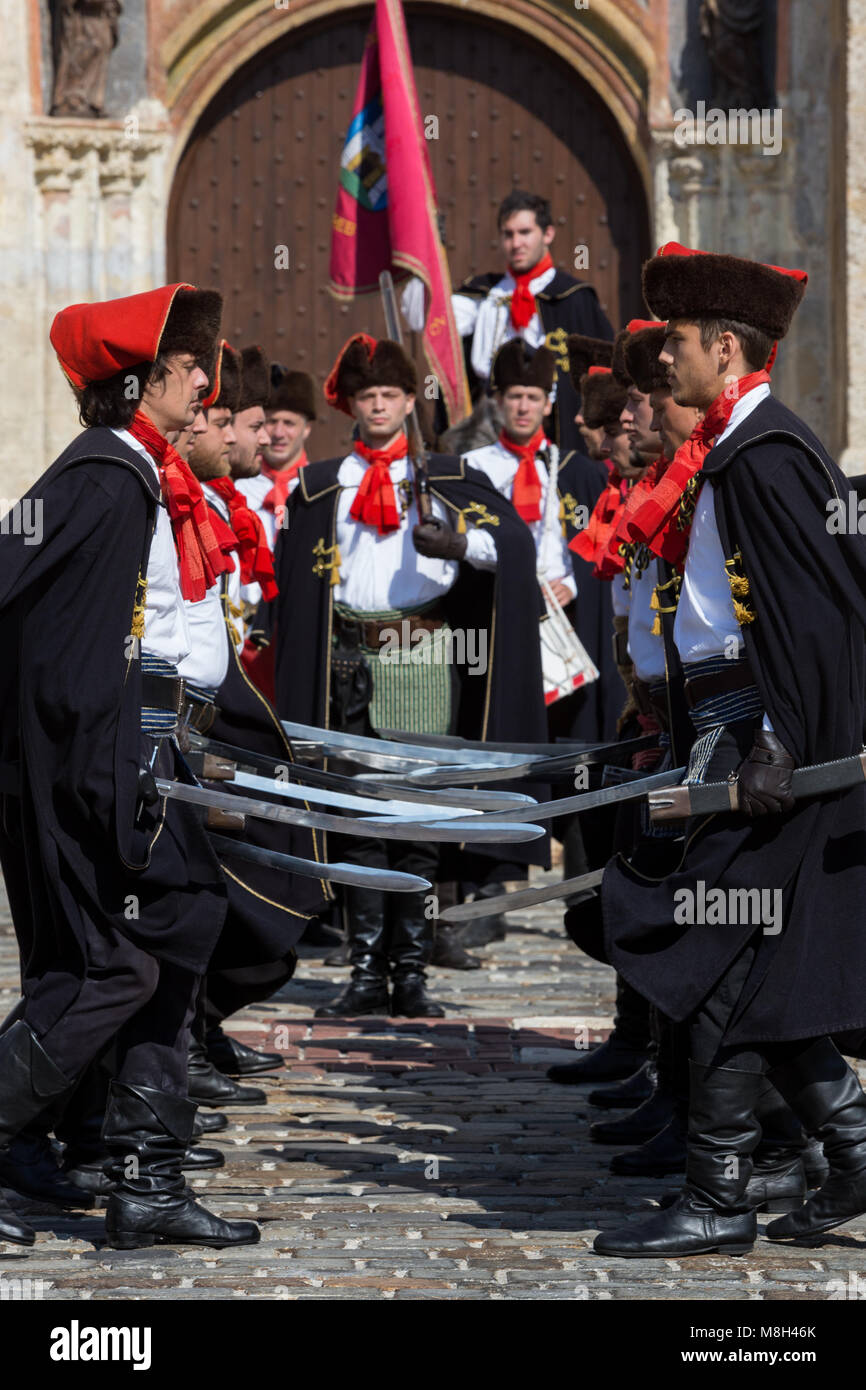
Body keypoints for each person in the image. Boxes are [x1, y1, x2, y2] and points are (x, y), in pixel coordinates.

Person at [595, 242, 866, 1258]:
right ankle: (845, 1144)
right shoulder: (732, 447)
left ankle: (718, 1192)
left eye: (672, 342)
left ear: (720, 345)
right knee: (748, 953)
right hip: (722, 729)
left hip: (756, 740)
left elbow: (814, 617)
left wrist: (780, 746)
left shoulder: (763, 453)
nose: (660, 360)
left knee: (714, 948)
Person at [0, 283, 259, 1250]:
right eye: (193, 368)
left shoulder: (134, 473)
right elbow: (49, 627)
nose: (206, 383)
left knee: (175, 942)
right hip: (107, 764)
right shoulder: (104, 475)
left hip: (143, 754)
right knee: (113, 966)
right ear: (147, 381)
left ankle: (145, 1176)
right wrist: (96, 761)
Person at [268, 334, 547, 1018]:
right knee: (360, 818)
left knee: (417, 823)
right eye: (368, 397)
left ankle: (412, 970)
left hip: (420, 654)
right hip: (349, 662)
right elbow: (294, 580)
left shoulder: (445, 475)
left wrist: (456, 542)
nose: (381, 407)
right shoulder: (322, 485)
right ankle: (365, 972)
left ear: (406, 401)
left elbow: (509, 545)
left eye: (392, 395)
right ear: (352, 405)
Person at [237, 365, 317, 542]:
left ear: (307, 429)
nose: (278, 433)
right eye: (271, 422)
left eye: (289, 423)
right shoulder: (239, 488)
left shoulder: (319, 487)